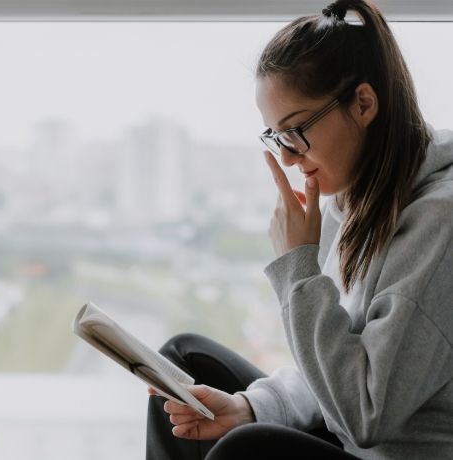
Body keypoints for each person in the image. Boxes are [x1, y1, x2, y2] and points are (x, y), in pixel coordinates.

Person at [145, 0, 453, 459]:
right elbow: (335, 366)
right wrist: (252, 406)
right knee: (180, 362)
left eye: (296, 130)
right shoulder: (348, 202)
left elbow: (364, 413)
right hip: (349, 435)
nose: (288, 157)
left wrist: (298, 269)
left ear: (364, 103)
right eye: (275, 136)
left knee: (247, 450)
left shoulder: (439, 222)